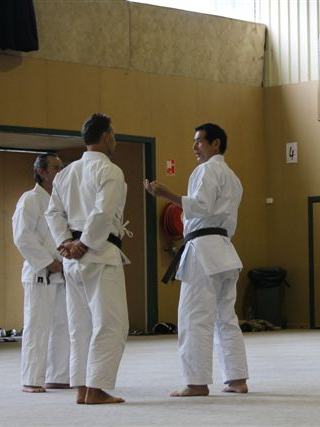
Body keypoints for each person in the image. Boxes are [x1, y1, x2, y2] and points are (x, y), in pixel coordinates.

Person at [144, 123, 249, 397]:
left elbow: (201, 206)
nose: (194, 147)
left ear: (216, 143)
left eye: (199, 141)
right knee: (226, 318)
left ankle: (196, 382)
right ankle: (237, 378)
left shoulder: (206, 170)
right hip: (224, 250)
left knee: (194, 317)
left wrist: (166, 194)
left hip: (203, 252)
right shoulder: (233, 177)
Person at [46, 113, 130, 404]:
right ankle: (96, 388)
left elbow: (53, 213)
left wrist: (66, 242)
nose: (114, 140)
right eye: (113, 135)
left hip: (73, 260)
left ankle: (82, 388)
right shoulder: (109, 170)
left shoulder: (66, 173)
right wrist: (83, 243)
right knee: (111, 323)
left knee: (80, 325)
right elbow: (102, 212)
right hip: (100, 255)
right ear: (106, 136)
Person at [12, 153, 70, 393]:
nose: (60, 171)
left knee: (63, 326)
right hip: (40, 274)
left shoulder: (62, 200)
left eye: (62, 167)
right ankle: (31, 379)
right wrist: (48, 262)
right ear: (42, 172)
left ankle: (58, 375)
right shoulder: (30, 199)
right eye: (56, 168)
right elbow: (22, 237)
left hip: (62, 273)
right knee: (37, 326)